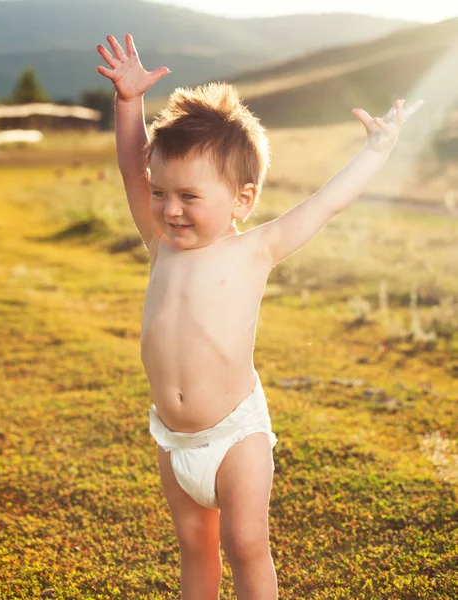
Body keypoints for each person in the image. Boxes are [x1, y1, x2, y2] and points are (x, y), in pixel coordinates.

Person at [96, 33, 423, 600]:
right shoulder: (162, 244)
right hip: (172, 439)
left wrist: (374, 152)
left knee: (246, 546)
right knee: (194, 548)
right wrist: (129, 104)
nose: (171, 209)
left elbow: (324, 204)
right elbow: (132, 171)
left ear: (242, 200)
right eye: (163, 193)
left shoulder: (255, 251)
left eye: (190, 197)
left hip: (236, 434)